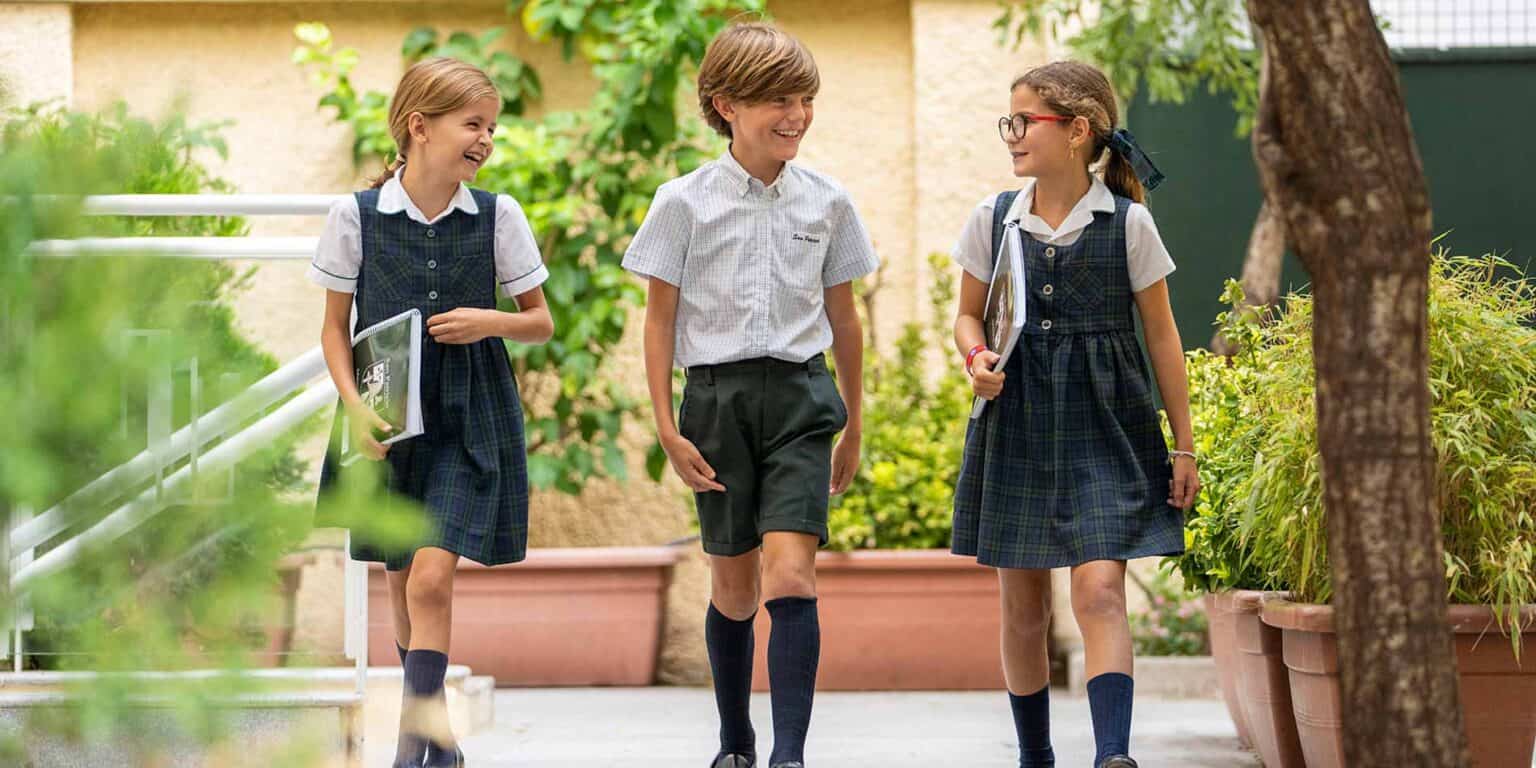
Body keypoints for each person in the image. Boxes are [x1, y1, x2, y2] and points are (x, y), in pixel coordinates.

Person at [622, 21, 879, 768]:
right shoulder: (682, 203)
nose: (796, 114)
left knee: (791, 571)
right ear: (726, 105)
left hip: (803, 401)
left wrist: (854, 424)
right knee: (734, 586)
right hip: (715, 403)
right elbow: (659, 321)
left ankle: (788, 755)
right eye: (778, 101)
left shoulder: (829, 203)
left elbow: (845, 317)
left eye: (805, 98)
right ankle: (736, 742)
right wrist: (668, 428)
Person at [950, 60, 1201, 768]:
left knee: (1099, 591)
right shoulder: (992, 218)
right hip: (1018, 423)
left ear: (1077, 131)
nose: (1012, 134)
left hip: (1106, 425)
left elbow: (1163, 338)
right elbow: (968, 318)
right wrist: (976, 362)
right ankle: (1037, 756)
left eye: (1024, 121)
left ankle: (1112, 755)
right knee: (1023, 611)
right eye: (1011, 121)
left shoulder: (1129, 225)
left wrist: (1184, 447)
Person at [309, 56, 553, 768]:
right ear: (419, 126)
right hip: (385, 411)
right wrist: (354, 410)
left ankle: (407, 753)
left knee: (431, 575)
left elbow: (540, 321)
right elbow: (332, 329)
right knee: (400, 577)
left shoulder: (498, 215)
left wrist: (489, 321)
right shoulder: (353, 218)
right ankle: (440, 745)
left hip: (469, 412)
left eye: (492, 127)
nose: (486, 139)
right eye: (472, 124)